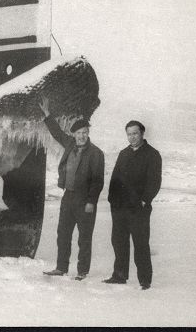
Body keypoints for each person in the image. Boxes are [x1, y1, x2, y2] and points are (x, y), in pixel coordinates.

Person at [39, 97, 105, 280]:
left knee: (84, 238)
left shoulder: (96, 153)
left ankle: (82, 271)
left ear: (88, 133)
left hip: (85, 200)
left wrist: (91, 202)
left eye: (85, 132)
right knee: (63, 234)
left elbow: (98, 181)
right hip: (68, 197)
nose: (82, 136)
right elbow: (57, 133)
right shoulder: (70, 144)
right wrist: (47, 115)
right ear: (74, 134)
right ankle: (61, 268)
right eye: (78, 133)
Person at [103, 121, 162, 290]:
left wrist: (144, 200)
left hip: (139, 208)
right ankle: (119, 275)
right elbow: (114, 180)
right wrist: (112, 202)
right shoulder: (123, 154)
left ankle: (145, 280)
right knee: (119, 242)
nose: (132, 137)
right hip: (120, 207)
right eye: (129, 134)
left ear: (142, 134)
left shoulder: (152, 154)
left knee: (141, 243)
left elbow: (155, 182)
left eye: (135, 133)